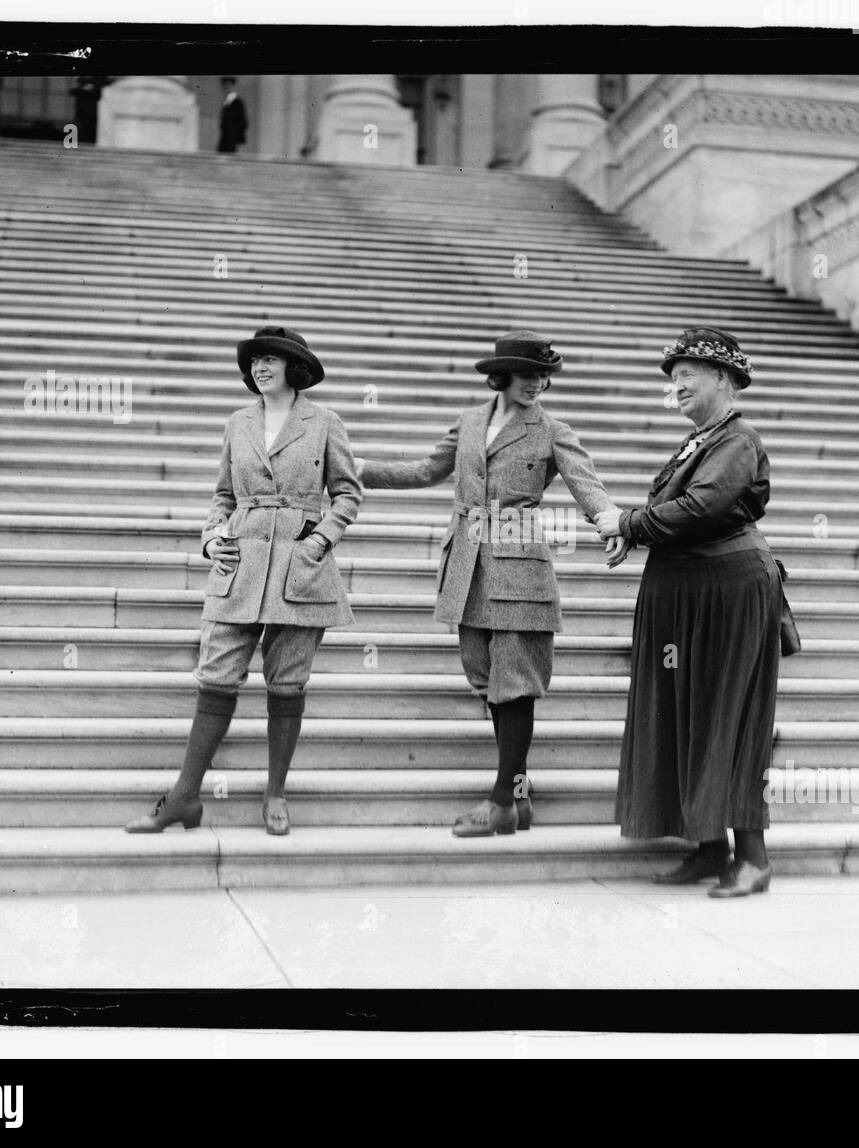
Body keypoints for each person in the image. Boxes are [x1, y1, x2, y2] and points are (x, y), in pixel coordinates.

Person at [356, 331, 621, 837]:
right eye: (528, 375)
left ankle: (503, 801)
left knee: (515, 683)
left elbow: (587, 482)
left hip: (520, 566)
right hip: (467, 568)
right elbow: (428, 469)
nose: (537, 384)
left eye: (544, 376)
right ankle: (517, 799)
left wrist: (610, 521)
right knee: (485, 679)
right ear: (501, 376)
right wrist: (361, 468)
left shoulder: (552, 430)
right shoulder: (471, 421)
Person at [125, 325, 362, 836]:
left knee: (288, 683)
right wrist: (211, 539)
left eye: (271, 360)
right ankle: (183, 799)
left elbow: (347, 494)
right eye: (254, 361)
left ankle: (275, 793)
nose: (260, 367)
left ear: (293, 368)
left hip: (302, 570)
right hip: (240, 565)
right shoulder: (238, 422)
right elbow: (222, 497)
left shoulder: (324, 422)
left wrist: (320, 540)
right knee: (216, 677)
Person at [599, 327, 782, 897]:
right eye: (672, 377)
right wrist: (639, 530)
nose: (675, 386)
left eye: (687, 375)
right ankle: (710, 848)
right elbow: (678, 508)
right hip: (686, 591)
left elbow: (702, 507)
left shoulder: (737, 440)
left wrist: (628, 524)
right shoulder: (702, 440)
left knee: (729, 715)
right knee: (687, 715)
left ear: (724, 381)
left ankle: (753, 858)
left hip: (725, 590)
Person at [218, 76, 248, 153]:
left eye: (229, 85)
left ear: (233, 86)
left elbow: (243, 122)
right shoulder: (226, 101)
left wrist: (238, 141)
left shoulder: (238, 102)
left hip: (232, 140)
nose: (226, 87)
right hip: (225, 138)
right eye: (225, 85)